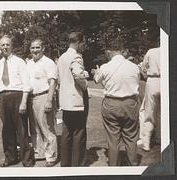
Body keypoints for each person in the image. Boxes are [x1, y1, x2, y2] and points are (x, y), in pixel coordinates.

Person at [91, 38, 140, 166]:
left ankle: (114, 166)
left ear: (108, 52)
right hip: (130, 103)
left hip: (112, 103)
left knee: (113, 138)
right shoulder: (134, 67)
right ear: (122, 51)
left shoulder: (105, 67)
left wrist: (96, 72)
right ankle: (133, 165)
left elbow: (97, 80)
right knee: (131, 137)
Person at [0, 35, 35, 167]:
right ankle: (10, 158)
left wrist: (23, 102)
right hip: (3, 98)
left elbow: (26, 83)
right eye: (3, 45)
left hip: (18, 96)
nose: (5, 47)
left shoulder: (19, 62)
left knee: (22, 130)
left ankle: (27, 160)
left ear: (12, 46)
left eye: (7, 44)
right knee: (7, 130)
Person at [57, 32, 89, 167]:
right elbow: (77, 74)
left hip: (65, 101)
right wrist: (85, 85)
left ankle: (65, 163)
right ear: (78, 42)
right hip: (76, 100)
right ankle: (78, 165)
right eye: (83, 43)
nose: (84, 46)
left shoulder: (62, 57)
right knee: (79, 133)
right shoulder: (76, 56)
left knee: (67, 133)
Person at [26, 39, 58, 167]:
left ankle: (51, 156)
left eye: (37, 47)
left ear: (43, 48)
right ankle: (40, 153)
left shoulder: (48, 63)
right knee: (35, 128)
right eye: (33, 48)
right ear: (30, 49)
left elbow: (53, 83)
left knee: (47, 127)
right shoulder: (29, 64)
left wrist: (49, 100)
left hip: (44, 97)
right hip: (31, 98)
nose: (35, 50)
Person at [137, 39, 160, 151]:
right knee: (162, 112)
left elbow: (144, 67)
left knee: (148, 112)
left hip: (153, 80)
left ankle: (146, 142)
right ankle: (160, 137)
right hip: (165, 80)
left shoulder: (151, 51)